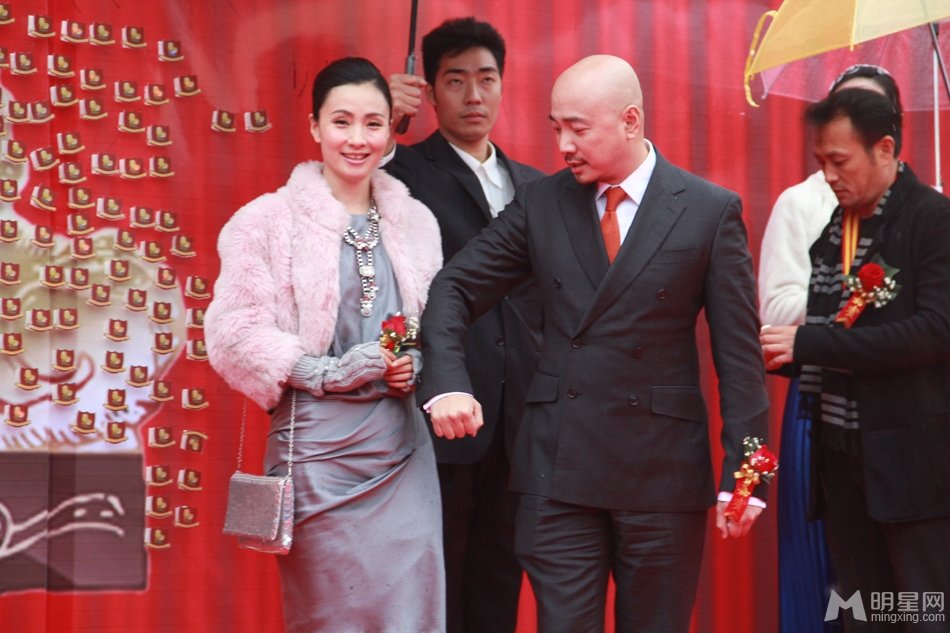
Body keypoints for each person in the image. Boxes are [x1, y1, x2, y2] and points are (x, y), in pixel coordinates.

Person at [420, 55, 769, 633]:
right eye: (556, 127)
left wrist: (748, 475)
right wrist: (448, 382)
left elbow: (739, 359)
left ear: (630, 121)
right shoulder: (541, 203)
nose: (563, 145)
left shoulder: (708, 209)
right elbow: (455, 287)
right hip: (558, 468)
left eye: (577, 129)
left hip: (662, 473)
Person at [204, 58, 445, 633]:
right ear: (314, 126)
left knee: (411, 611)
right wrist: (327, 371)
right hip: (317, 452)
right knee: (333, 615)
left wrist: (411, 361)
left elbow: (427, 324)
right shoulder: (266, 221)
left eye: (372, 123)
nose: (357, 138)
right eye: (342, 121)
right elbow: (233, 332)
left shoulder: (417, 222)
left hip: (401, 446)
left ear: (389, 131)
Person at [761, 89, 950, 633]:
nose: (828, 176)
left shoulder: (932, 219)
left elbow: (935, 332)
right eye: (820, 161)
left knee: (925, 614)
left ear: (884, 149)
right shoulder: (835, 228)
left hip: (912, 468)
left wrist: (809, 345)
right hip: (841, 461)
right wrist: (789, 356)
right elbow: (837, 326)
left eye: (839, 161)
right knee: (864, 616)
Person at [381, 17, 544, 633]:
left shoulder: (538, 187)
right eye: (455, 81)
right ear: (429, 91)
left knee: (501, 579)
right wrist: (383, 122)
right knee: (437, 579)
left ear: (502, 84)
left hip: (521, 414)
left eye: (486, 79)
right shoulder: (404, 172)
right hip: (441, 409)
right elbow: (355, 184)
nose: (474, 95)